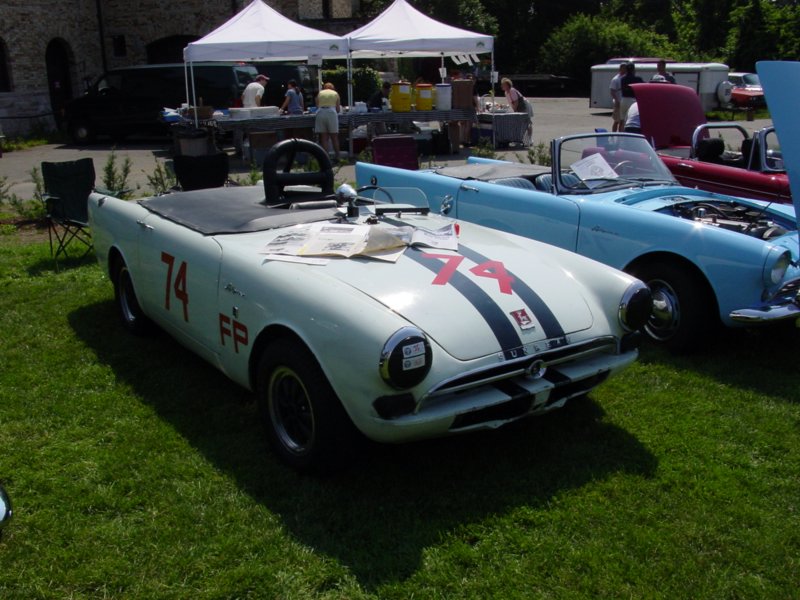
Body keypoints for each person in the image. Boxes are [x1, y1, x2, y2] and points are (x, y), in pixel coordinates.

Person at [501, 77, 534, 143]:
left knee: (527, 122)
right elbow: (511, 102)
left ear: (507, 85)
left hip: (524, 106)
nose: (502, 86)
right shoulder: (506, 92)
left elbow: (516, 102)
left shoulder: (512, 90)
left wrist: (515, 111)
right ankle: (519, 139)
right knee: (518, 123)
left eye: (503, 85)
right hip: (518, 107)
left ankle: (530, 139)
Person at [315, 82, 341, 157]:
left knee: (324, 138)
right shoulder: (335, 94)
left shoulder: (320, 93)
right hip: (331, 113)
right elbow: (338, 109)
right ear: (332, 88)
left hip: (320, 113)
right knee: (334, 137)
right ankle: (338, 157)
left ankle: (326, 158)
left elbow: (317, 106)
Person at [610, 63, 626, 132]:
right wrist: (616, 100)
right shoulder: (616, 79)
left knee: (622, 121)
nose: (625, 69)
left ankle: (620, 136)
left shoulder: (626, 77)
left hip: (624, 101)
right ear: (620, 69)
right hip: (618, 102)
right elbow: (612, 91)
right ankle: (613, 134)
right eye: (623, 68)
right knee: (616, 120)